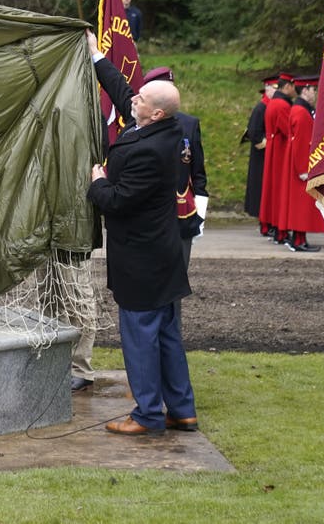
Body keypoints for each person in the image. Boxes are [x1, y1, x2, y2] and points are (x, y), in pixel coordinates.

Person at [84, 31, 197, 436]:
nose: (134, 99)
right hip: (161, 256)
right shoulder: (157, 127)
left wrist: (97, 180)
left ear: (157, 114)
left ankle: (148, 414)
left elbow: (116, 201)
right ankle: (182, 410)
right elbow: (123, 92)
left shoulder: (151, 151)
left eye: (142, 100)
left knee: (140, 338)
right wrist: (97, 55)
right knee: (166, 335)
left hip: (143, 260)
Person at [141, 67, 209, 267]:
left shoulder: (189, 124)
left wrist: (201, 214)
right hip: (148, 214)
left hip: (181, 212)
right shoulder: (138, 124)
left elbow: (197, 173)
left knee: (177, 276)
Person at [284, 77, 324, 252]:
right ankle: (298, 240)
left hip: (300, 164)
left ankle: (300, 239)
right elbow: (301, 142)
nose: (314, 93)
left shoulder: (300, 110)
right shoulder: (301, 112)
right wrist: (303, 169)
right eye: (313, 90)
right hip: (301, 166)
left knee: (301, 205)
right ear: (305, 90)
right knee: (301, 206)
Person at [260, 73, 295, 245]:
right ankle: (279, 229)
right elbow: (288, 129)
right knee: (280, 191)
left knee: (272, 191)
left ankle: (271, 225)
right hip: (280, 150)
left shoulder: (275, 102)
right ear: (287, 86)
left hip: (274, 148)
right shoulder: (282, 105)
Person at [242, 76, 276, 235]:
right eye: (273, 88)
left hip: (270, 156)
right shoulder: (261, 108)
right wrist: (270, 144)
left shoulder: (272, 106)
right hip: (261, 157)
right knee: (261, 189)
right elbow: (254, 132)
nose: (276, 91)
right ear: (267, 89)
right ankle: (264, 225)